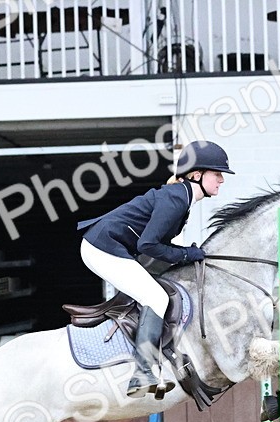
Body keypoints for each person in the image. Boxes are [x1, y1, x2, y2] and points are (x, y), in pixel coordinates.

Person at [76, 140, 234, 397]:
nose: (221, 180)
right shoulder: (176, 199)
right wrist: (187, 254)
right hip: (101, 248)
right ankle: (141, 374)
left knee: (155, 290)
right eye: (217, 174)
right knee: (155, 297)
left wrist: (185, 255)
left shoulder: (181, 197)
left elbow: (157, 244)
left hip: (109, 245)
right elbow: (148, 244)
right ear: (197, 174)